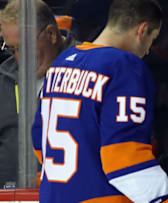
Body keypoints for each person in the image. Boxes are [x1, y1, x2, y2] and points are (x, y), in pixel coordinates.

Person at [31, 0, 168, 202]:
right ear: (143, 29)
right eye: (152, 39)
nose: (148, 50)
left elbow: (39, 141)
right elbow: (125, 157)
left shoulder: (61, 63)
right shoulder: (124, 66)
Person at [0, 0, 78, 188]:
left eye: (24, 47)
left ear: (51, 34)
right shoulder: (3, 79)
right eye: (12, 48)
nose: (19, 57)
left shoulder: (90, 69)